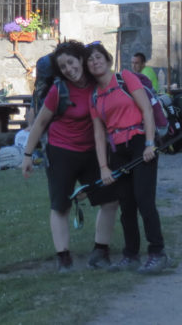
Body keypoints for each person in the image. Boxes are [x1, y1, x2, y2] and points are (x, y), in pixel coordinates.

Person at [21, 41, 119, 272]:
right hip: (61, 152)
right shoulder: (59, 89)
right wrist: (27, 155)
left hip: (93, 152)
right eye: (63, 66)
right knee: (60, 206)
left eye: (71, 63)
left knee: (110, 201)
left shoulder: (97, 84)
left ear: (81, 61)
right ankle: (63, 257)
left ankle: (100, 251)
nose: (68, 69)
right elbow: (40, 122)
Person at [86, 41, 170, 275]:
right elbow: (98, 133)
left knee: (144, 200)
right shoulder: (94, 96)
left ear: (107, 59)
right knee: (126, 204)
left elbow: (146, 110)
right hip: (118, 150)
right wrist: (103, 166)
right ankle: (130, 254)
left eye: (98, 57)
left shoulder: (125, 78)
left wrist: (150, 144)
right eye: (90, 60)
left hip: (140, 143)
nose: (95, 62)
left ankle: (157, 252)